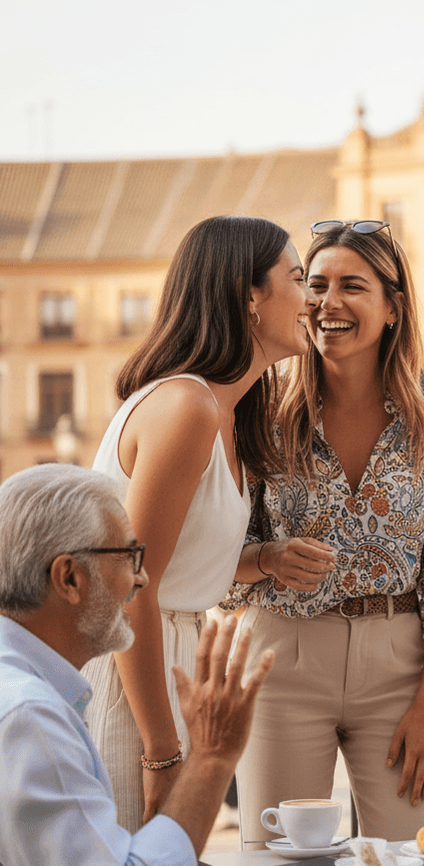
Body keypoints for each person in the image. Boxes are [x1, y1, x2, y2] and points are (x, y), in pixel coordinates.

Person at [223, 219, 424, 846]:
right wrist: (270, 557)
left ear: (393, 307)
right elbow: (218, 551)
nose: (326, 302)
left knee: (414, 852)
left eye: (351, 286)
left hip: (400, 666)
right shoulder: (262, 405)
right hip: (282, 660)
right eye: (315, 284)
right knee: (279, 855)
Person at [82, 215, 316, 831]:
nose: (312, 295)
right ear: (249, 298)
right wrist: (161, 750)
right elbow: (129, 584)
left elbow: (170, 560)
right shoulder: (187, 407)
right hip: (137, 675)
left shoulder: (224, 414)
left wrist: (263, 560)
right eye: (297, 277)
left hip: (171, 668)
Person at [0, 464, 274, 866]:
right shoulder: (31, 719)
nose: (142, 578)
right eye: (129, 556)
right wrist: (212, 755)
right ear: (69, 578)